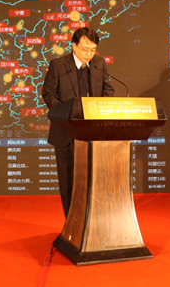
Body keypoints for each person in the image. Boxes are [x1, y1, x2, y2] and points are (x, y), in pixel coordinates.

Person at [42, 27, 115, 216]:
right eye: (85, 49)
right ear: (74, 46)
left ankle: (92, 222)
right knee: (69, 181)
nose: (89, 54)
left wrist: (102, 110)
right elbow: (49, 93)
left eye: (92, 50)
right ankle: (71, 223)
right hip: (66, 132)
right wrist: (64, 113)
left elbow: (108, 90)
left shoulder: (99, 63)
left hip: (93, 132)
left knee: (94, 180)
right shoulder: (58, 65)